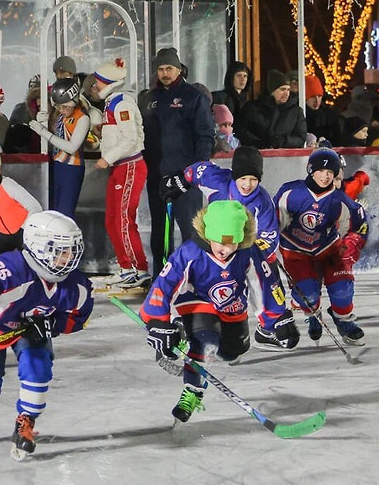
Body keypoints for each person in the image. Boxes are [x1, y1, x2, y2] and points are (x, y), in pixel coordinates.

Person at [140, 200, 298, 423]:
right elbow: (163, 287)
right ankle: (192, 391)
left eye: (233, 243)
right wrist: (158, 321)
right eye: (221, 243)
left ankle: (199, 344)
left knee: (232, 351)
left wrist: (276, 319)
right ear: (208, 235)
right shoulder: (190, 253)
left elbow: (262, 284)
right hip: (197, 301)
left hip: (232, 305)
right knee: (205, 343)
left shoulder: (247, 252)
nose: (226, 249)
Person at [0, 210, 93, 459]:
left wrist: (54, 324)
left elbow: (79, 316)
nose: (69, 257)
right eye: (60, 250)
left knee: (38, 367)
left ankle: (26, 422)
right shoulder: (15, 267)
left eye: (72, 250)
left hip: (31, 329)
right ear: (38, 248)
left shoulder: (75, 285)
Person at [160, 146, 293, 350]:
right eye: (243, 179)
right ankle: (192, 322)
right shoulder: (216, 179)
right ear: (234, 175)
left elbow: (269, 238)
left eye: (254, 179)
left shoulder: (262, 202)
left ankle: (267, 325)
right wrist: (179, 181)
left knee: (262, 273)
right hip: (210, 242)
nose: (248, 185)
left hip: (239, 250)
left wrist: (249, 250)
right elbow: (196, 171)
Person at [273, 148, 369, 345]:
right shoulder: (291, 192)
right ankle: (313, 314)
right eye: (321, 171)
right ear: (310, 170)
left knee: (342, 289)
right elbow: (273, 222)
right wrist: (266, 238)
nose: (326, 176)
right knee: (307, 295)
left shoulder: (341, 201)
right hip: (295, 250)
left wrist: (350, 247)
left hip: (328, 249)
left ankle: (344, 321)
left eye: (330, 172)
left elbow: (360, 227)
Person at [142, 47, 214, 276]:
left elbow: (205, 136)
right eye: (161, 69)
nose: (165, 73)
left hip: (185, 177)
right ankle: (161, 278)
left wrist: (193, 172)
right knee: (160, 232)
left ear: (179, 68)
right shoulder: (148, 99)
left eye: (169, 69)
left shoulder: (194, 97)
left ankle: (194, 277)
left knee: (191, 230)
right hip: (156, 176)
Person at [90, 59, 150, 289]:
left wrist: (108, 158)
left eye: (96, 82)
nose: (94, 86)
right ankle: (126, 266)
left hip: (129, 166)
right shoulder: (111, 103)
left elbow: (130, 139)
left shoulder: (122, 103)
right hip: (120, 167)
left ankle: (138, 268)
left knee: (124, 219)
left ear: (106, 82)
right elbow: (120, 134)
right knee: (112, 219)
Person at [29, 77, 90, 219]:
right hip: (56, 165)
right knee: (53, 209)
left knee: (65, 212)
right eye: (58, 106)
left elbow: (72, 146)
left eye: (65, 107)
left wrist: (45, 133)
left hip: (72, 168)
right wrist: (44, 122)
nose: (62, 110)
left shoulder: (82, 118)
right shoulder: (61, 116)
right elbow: (57, 140)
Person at [236, 69, 307, 149]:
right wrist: (259, 144)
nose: (286, 93)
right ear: (271, 90)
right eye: (282, 89)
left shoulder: (296, 111)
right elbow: (242, 131)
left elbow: (301, 138)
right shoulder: (252, 108)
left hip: (286, 158)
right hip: (256, 155)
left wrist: (284, 141)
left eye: (288, 90)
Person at [304, 75, 344, 145]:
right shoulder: (300, 114)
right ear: (305, 98)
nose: (317, 100)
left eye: (319, 96)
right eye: (312, 97)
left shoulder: (330, 115)